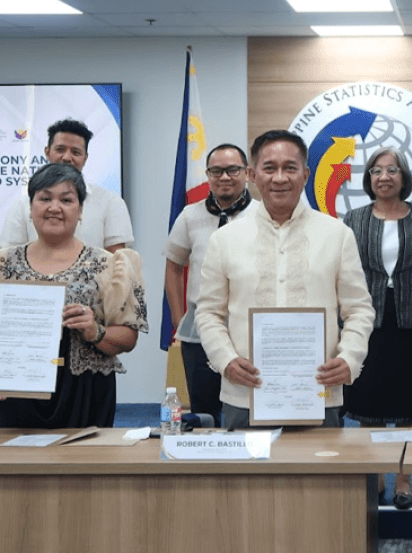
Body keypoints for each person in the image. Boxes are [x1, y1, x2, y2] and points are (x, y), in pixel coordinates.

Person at [194, 129, 375, 429]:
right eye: (269, 168)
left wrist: (349, 358)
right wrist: (225, 360)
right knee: (247, 477)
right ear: (253, 174)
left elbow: (359, 309)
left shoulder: (337, 234)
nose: (280, 178)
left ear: (305, 174)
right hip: (245, 393)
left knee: (321, 476)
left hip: (318, 392)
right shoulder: (224, 238)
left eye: (290, 168)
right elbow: (209, 312)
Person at [0, 163, 147, 428]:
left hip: (85, 392)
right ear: (31, 207)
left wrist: (94, 331)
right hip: (14, 392)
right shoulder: (3, 263)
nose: (54, 207)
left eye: (66, 200)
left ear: (80, 211)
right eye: (45, 198)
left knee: (85, 467)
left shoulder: (110, 265)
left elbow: (128, 338)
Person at [343, 146, 412, 510]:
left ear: (404, 177)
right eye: (376, 170)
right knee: (367, 401)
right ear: (368, 179)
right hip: (364, 321)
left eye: (392, 170)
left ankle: (404, 478)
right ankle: (376, 476)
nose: (383, 176)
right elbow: (341, 273)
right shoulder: (353, 219)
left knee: (406, 405)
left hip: (411, 320)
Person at [163, 143, 253, 427]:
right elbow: (174, 267)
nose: (224, 177)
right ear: (208, 175)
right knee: (205, 412)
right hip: (200, 331)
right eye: (216, 171)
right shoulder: (190, 215)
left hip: (247, 328)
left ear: (247, 173)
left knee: (248, 410)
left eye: (232, 170)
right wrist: (179, 320)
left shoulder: (262, 215)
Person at [0, 118, 134, 252]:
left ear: (85, 158)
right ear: (47, 152)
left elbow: (117, 262)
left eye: (76, 152)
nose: (66, 157)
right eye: (60, 149)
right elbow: (8, 259)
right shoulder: (22, 205)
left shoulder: (111, 202)